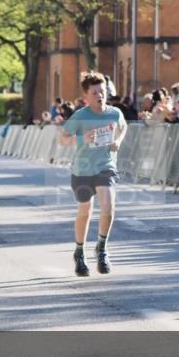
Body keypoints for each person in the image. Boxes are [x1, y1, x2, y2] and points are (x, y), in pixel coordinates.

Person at [57, 71, 127, 277]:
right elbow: (62, 139)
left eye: (102, 91)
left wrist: (118, 142)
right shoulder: (80, 116)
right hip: (83, 169)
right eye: (95, 92)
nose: (100, 95)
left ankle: (102, 249)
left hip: (105, 166)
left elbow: (123, 127)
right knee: (85, 211)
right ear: (86, 96)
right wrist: (82, 139)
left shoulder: (115, 113)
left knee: (108, 205)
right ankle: (79, 252)